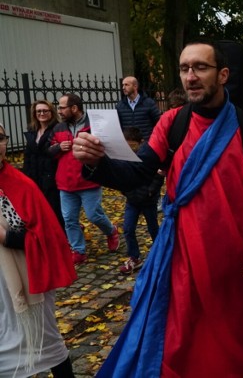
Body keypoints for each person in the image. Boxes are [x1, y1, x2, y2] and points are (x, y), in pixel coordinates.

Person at [73, 40, 243, 377]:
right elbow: (139, 173)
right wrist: (97, 164)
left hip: (234, 264)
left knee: (228, 352)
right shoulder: (172, 123)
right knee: (176, 343)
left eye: (200, 67)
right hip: (183, 258)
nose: (190, 76)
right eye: (185, 68)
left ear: (223, 74)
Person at [0, 122, 77, 378]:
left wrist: (7, 237)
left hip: (28, 279)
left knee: (46, 342)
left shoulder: (22, 185)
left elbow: (48, 239)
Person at [49, 93, 119, 264]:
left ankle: (111, 231)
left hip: (89, 181)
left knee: (93, 215)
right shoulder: (58, 128)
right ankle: (78, 250)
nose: (59, 111)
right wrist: (58, 147)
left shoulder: (94, 125)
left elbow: (106, 148)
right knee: (69, 219)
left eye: (62, 107)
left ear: (74, 108)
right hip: (66, 183)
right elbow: (49, 150)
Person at [118, 127, 163, 274]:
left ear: (140, 143)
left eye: (133, 146)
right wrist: (124, 189)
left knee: (153, 227)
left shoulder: (148, 155)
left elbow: (158, 176)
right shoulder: (124, 156)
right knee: (128, 228)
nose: (130, 149)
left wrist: (151, 191)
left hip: (148, 200)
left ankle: (161, 254)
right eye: (127, 146)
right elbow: (121, 174)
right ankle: (134, 257)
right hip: (132, 199)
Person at [22, 100, 64, 228]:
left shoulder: (58, 129)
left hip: (52, 176)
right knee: (38, 208)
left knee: (54, 208)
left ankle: (60, 236)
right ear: (34, 114)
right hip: (34, 175)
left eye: (45, 110)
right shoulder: (32, 130)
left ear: (51, 112)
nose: (42, 113)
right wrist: (25, 176)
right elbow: (28, 155)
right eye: (39, 111)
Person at [117, 76, 162, 140]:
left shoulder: (149, 103)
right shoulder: (120, 106)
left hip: (146, 143)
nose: (123, 88)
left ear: (135, 86)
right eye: (123, 85)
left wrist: (153, 139)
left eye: (126, 85)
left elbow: (158, 123)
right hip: (129, 145)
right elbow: (119, 126)